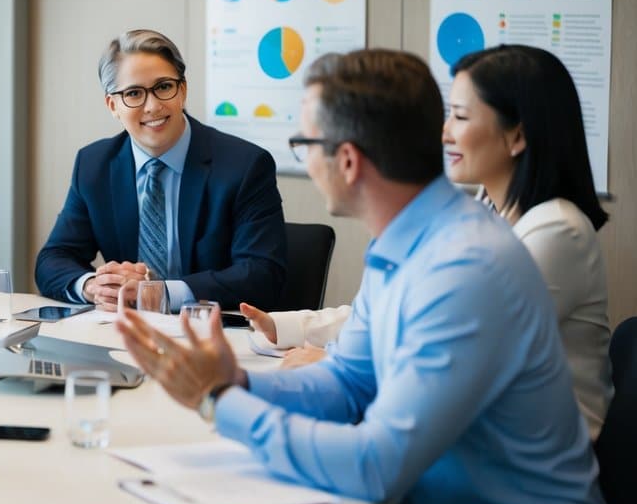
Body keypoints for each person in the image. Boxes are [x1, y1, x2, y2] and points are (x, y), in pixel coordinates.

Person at [118, 49, 609, 504]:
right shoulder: (403, 239)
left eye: (305, 144)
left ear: (348, 160)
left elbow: (376, 466)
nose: (304, 161)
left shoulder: (467, 267)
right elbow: (349, 383)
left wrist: (218, 401)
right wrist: (237, 382)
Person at [239, 44, 613, 439]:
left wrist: (332, 366)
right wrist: (289, 327)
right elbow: (387, 321)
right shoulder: (481, 209)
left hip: (532, 453)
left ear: (517, 134)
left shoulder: (555, 232)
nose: (445, 132)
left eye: (461, 116)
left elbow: (443, 348)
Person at [34, 29, 286, 312]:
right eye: (133, 94)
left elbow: (262, 274)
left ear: (183, 90)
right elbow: (52, 259)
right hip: (123, 335)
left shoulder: (244, 165)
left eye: (164, 87)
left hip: (214, 336)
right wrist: (95, 286)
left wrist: (161, 292)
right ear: (112, 105)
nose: (153, 106)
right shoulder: (94, 165)